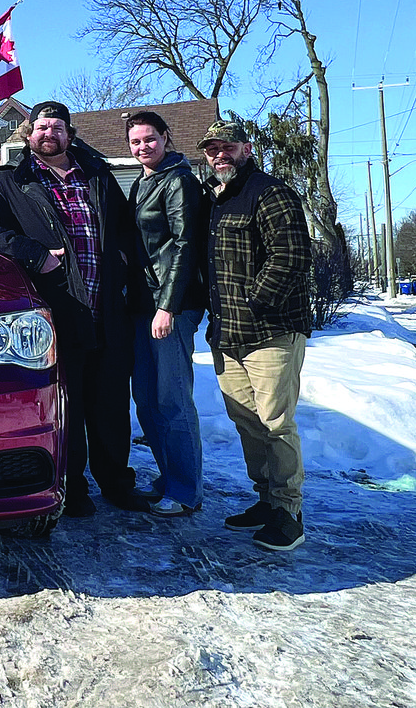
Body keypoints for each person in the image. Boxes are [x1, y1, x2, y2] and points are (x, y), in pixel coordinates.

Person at [0, 100, 148, 517]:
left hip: (108, 308)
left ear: (70, 133)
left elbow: (125, 227)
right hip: (57, 311)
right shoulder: (8, 182)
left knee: (111, 406)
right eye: (42, 127)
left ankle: (117, 484)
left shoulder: (98, 175)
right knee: (68, 406)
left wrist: (124, 265)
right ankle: (74, 487)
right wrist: (33, 254)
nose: (49, 133)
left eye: (57, 127)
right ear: (29, 134)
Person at [199, 119, 312, 551]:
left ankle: (288, 511)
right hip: (227, 333)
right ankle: (266, 500)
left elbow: (291, 256)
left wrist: (254, 301)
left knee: (276, 423)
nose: (219, 154)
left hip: (270, 331)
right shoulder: (214, 199)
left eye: (227, 146)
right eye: (211, 149)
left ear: (246, 148)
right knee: (247, 422)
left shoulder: (270, 193)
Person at [125, 110, 206, 517]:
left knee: (172, 398)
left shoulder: (178, 181)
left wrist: (168, 306)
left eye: (149, 139)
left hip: (170, 306)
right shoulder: (142, 183)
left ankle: (186, 489)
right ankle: (168, 475)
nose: (143, 147)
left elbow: (185, 245)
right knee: (146, 399)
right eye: (135, 141)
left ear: (166, 137)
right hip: (142, 305)